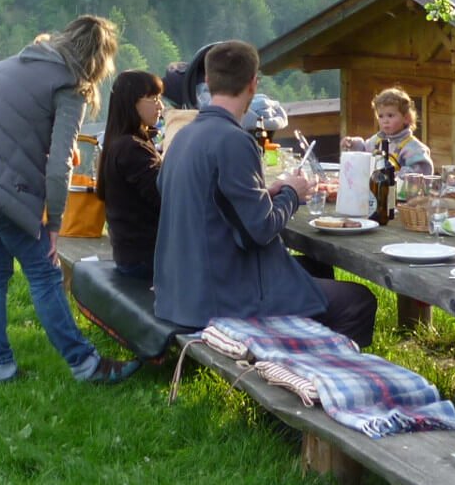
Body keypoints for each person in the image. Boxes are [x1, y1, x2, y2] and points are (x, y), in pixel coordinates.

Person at [0, 15, 140, 385]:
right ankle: (86, 365)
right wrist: (54, 224)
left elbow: (6, 129)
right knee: (43, 270)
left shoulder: (20, 61)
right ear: (99, 60)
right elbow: (59, 165)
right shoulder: (72, 86)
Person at [153, 41, 378, 347]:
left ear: (208, 82)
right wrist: (291, 194)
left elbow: (209, 204)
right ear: (252, 84)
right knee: (358, 300)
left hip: (178, 289)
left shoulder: (183, 137)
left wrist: (265, 194)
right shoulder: (233, 141)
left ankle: (298, 347)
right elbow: (257, 232)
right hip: (218, 297)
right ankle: (322, 375)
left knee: (315, 267)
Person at [98, 70, 165, 282]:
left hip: (130, 255)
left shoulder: (119, 141)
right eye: (153, 99)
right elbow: (164, 197)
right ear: (131, 103)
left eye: (160, 99)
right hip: (144, 260)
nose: (160, 106)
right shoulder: (131, 148)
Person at [349, 87, 434, 176]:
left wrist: (398, 175)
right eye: (381, 116)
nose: (385, 121)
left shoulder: (413, 147)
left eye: (390, 115)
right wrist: (353, 144)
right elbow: (364, 152)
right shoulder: (377, 140)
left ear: (406, 118)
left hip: (402, 189)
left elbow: (423, 170)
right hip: (377, 188)